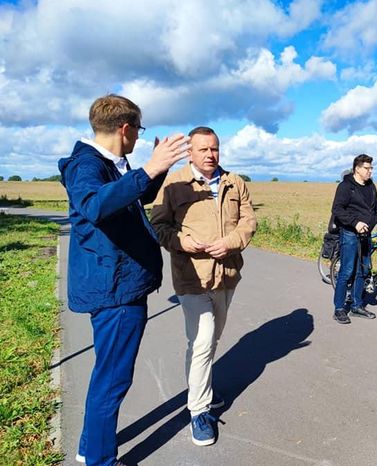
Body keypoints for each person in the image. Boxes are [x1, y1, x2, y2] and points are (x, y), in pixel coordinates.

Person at [58, 94, 190, 466]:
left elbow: (130, 198)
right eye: (138, 130)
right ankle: (101, 460)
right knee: (113, 380)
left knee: (106, 375)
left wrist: (157, 169)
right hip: (115, 290)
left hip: (117, 284)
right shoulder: (88, 164)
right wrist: (148, 168)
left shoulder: (111, 163)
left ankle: (89, 448)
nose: (137, 138)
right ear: (126, 128)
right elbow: (96, 205)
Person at [150, 126, 256, 446]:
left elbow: (248, 221)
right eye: (203, 149)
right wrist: (183, 242)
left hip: (227, 274)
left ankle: (203, 387)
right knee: (202, 341)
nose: (211, 155)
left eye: (215, 149)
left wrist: (231, 242)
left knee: (212, 339)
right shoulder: (174, 182)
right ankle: (198, 410)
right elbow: (158, 225)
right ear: (190, 152)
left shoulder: (234, 182)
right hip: (191, 277)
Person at [331, 154, 377, 324]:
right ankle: (339, 308)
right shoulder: (345, 186)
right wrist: (355, 223)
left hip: (366, 236)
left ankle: (357, 305)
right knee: (347, 271)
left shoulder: (371, 186)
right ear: (357, 169)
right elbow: (337, 209)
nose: (370, 171)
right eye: (367, 168)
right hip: (350, 234)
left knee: (362, 271)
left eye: (371, 168)